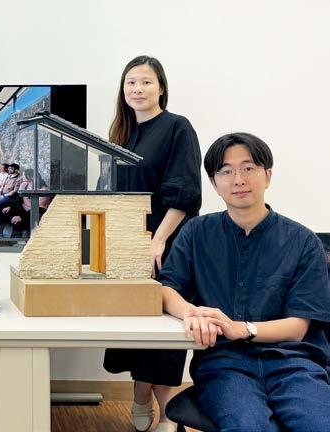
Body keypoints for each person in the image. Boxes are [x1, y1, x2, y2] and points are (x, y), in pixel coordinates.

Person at [161, 132, 330, 430]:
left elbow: (298, 327)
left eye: (248, 168)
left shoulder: (303, 241)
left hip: (294, 364)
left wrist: (242, 328)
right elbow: (166, 289)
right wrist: (193, 313)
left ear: (268, 176)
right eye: (226, 171)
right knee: (248, 426)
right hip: (224, 363)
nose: (238, 179)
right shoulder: (196, 233)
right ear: (214, 183)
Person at [102, 55, 202, 432]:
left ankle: (169, 413)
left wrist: (158, 240)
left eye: (146, 82)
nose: (138, 89)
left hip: (166, 244)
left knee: (161, 330)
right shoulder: (121, 134)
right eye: (131, 82)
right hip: (127, 245)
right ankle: (141, 394)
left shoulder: (178, 127)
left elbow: (185, 190)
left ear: (161, 87)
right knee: (134, 326)